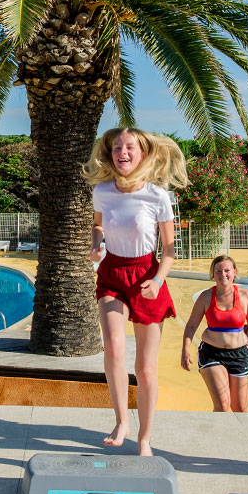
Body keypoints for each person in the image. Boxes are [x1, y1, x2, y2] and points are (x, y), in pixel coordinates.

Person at [83, 128, 187, 455]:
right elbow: (98, 226)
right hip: (113, 272)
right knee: (114, 347)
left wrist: (157, 281)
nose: (122, 152)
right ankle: (121, 421)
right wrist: (96, 244)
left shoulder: (158, 196)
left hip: (147, 276)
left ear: (142, 154)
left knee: (145, 367)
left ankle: (144, 438)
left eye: (130, 147)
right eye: (117, 147)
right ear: (110, 153)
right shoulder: (102, 191)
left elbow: (169, 250)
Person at [181, 255, 248, 412]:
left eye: (227, 270)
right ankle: (216, 436)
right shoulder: (206, 297)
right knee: (222, 405)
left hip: (239, 354)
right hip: (212, 353)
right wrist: (185, 350)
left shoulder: (244, 296)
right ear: (213, 274)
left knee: (241, 409)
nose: (223, 275)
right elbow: (191, 325)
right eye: (218, 271)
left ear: (234, 272)